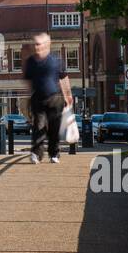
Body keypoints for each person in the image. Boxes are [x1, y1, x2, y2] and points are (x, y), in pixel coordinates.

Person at [23, 31, 73, 163]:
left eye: (38, 44)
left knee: (54, 128)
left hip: (55, 98)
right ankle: (36, 154)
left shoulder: (55, 61)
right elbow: (28, 82)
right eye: (35, 44)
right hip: (38, 99)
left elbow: (64, 78)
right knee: (39, 126)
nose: (36, 47)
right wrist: (28, 98)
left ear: (46, 44)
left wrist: (68, 95)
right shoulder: (31, 62)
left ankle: (54, 154)